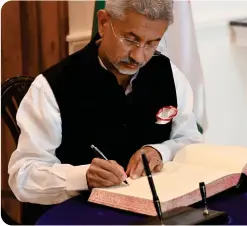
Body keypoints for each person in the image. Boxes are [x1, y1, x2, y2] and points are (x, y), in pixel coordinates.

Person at [8, 0, 203, 222]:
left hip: (157, 215)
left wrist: (160, 151)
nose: (139, 56)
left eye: (152, 43)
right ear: (103, 23)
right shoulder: (52, 86)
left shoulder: (170, 74)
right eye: (131, 39)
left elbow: (191, 141)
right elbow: (22, 177)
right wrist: (83, 177)